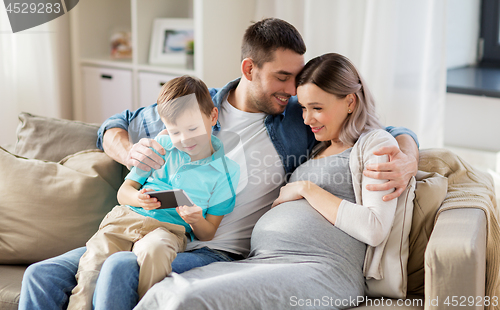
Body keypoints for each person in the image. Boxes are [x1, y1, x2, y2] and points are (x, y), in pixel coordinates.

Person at [19, 18, 419, 310]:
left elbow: (373, 125)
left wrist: (406, 158)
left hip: (213, 248)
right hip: (149, 225)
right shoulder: (193, 107)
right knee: (41, 275)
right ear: (249, 69)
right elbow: (116, 124)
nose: (292, 90)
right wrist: (129, 153)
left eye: (296, 78)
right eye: (282, 77)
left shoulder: (298, 118)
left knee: (122, 267)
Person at [134, 52, 405, 310]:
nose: (307, 118)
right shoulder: (315, 146)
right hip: (261, 260)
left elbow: (374, 228)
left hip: (319, 268)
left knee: (189, 299)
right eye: (304, 107)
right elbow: (130, 119)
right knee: (166, 292)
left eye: (317, 108)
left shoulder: (374, 144)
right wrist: (134, 151)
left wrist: (305, 189)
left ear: (350, 102)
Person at [66, 76, 240, 310]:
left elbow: (208, 232)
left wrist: (196, 219)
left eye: (193, 128)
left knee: (156, 251)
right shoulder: (162, 145)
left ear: (213, 116)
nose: (185, 139)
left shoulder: (226, 171)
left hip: (169, 231)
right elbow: (124, 192)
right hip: (125, 221)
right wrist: (138, 198)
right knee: (92, 267)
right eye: (175, 132)